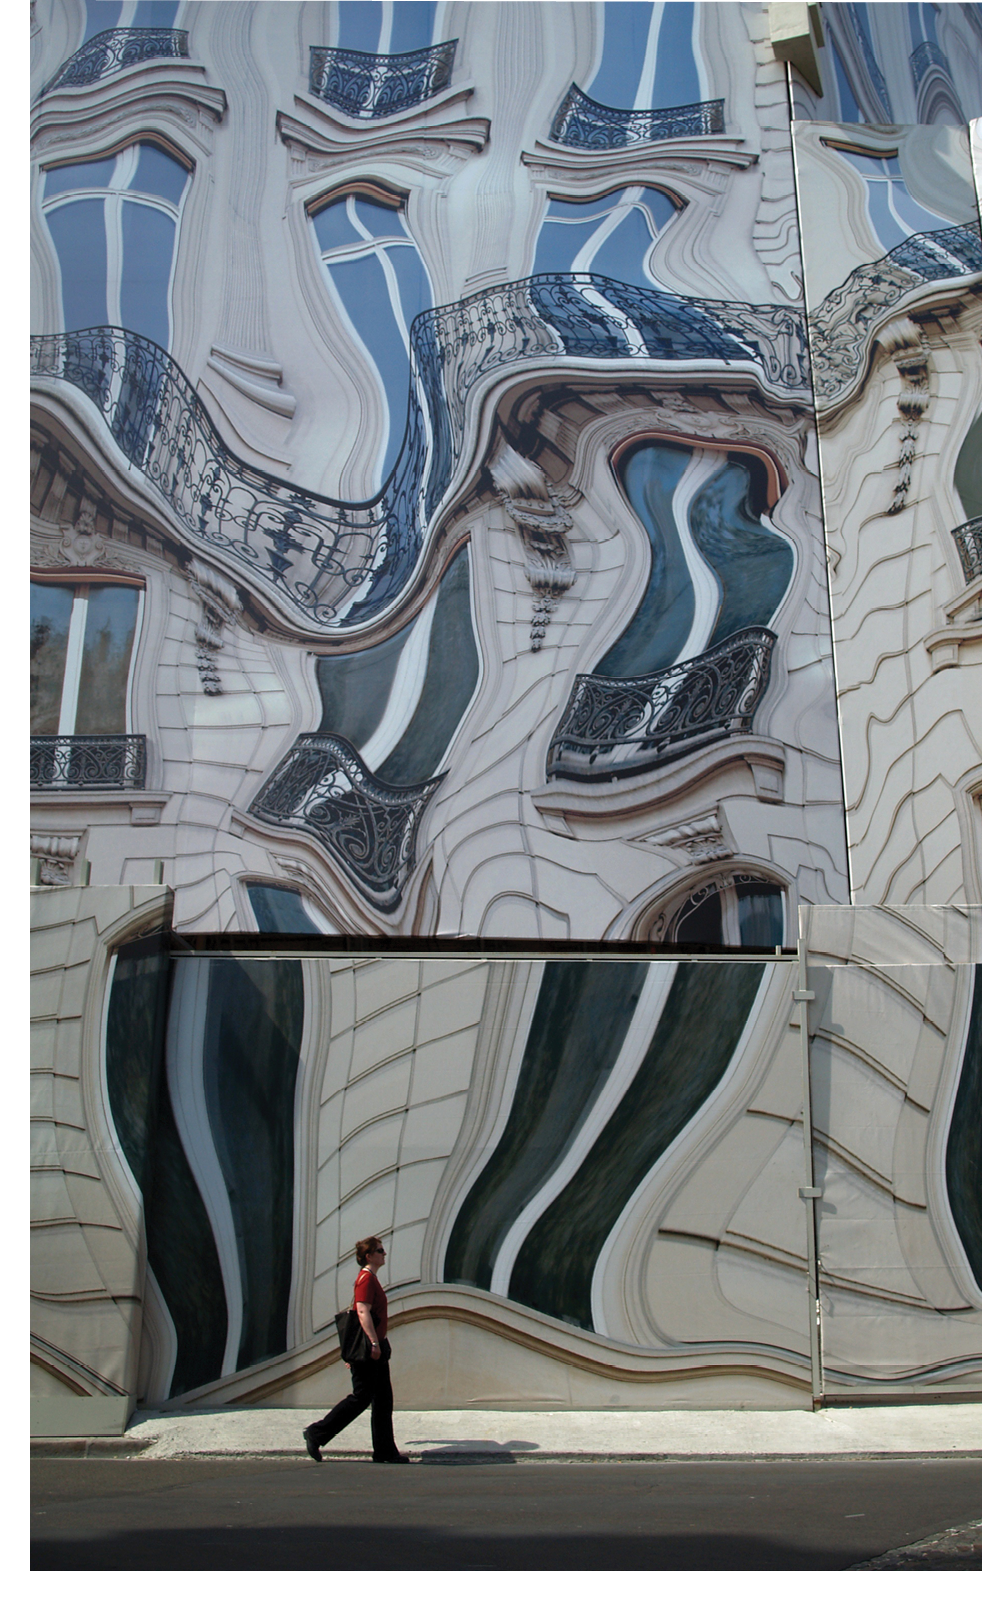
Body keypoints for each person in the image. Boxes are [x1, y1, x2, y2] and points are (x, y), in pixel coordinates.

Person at [303, 1236, 410, 1464]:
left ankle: (384, 1451)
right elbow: (362, 1312)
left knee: (383, 1400)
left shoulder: (372, 1279)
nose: (384, 1254)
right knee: (361, 1398)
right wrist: (372, 1343)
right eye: (380, 1250)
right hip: (372, 1349)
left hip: (378, 1347)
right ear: (369, 1256)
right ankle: (317, 1433)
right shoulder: (366, 1280)